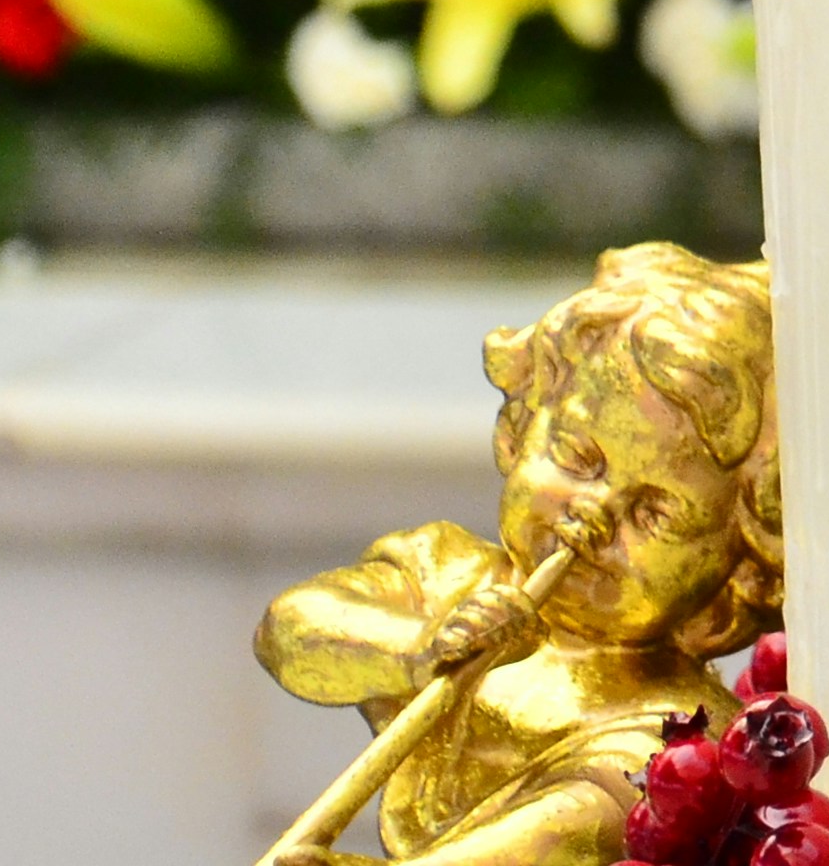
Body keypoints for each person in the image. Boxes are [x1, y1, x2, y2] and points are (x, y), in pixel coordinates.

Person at [259, 244, 784, 866]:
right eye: (578, 457)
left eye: (655, 513)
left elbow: (577, 837)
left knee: (640, 787)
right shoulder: (448, 572)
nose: (594, 515)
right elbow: (292, 627)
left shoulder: (677, 731)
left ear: (738, 568)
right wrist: (422, 652)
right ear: (521, 426)